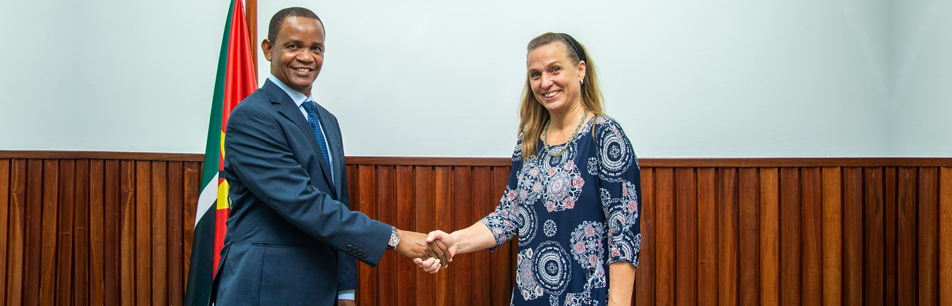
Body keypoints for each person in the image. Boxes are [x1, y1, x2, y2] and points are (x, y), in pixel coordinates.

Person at [214, 7, 450, 306]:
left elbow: (338, 204)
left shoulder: (326, 121)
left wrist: (345, 290)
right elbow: (303, 203)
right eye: (293, 46)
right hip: (265, 288)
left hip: (320, 288)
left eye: (316, 48)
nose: (306, 57)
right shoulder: (251, 117)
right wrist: (396, 238)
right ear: (268, 49)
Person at [417, 32, 642, 306]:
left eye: (555, 69)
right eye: (535, 74)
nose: (545, 82)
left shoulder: (605, 136)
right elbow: (509, 216)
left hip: (586, 297)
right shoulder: (529, 141)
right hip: (530, 297)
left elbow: (624, 236)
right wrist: (453, 242)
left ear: (580, 70)